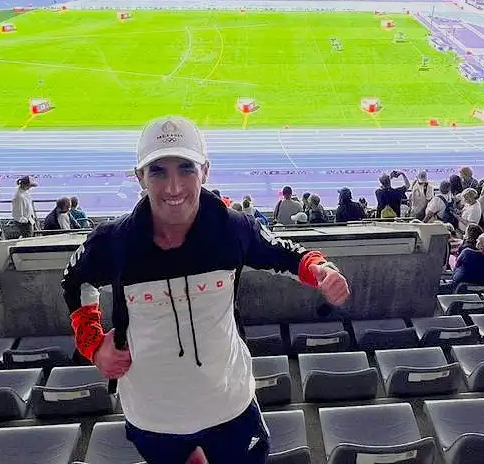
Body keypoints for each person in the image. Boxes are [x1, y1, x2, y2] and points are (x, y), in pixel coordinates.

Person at [60, 116, 349, 463]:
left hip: (231, 405)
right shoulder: (114, 241)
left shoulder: (231, 228)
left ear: (205, 171)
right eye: (157, 171)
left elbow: (284, 253)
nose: (173, 187)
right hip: (152, 415)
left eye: (186, 168)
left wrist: (321, 270)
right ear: (140, 177)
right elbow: (74, 281)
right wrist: (92, 345)